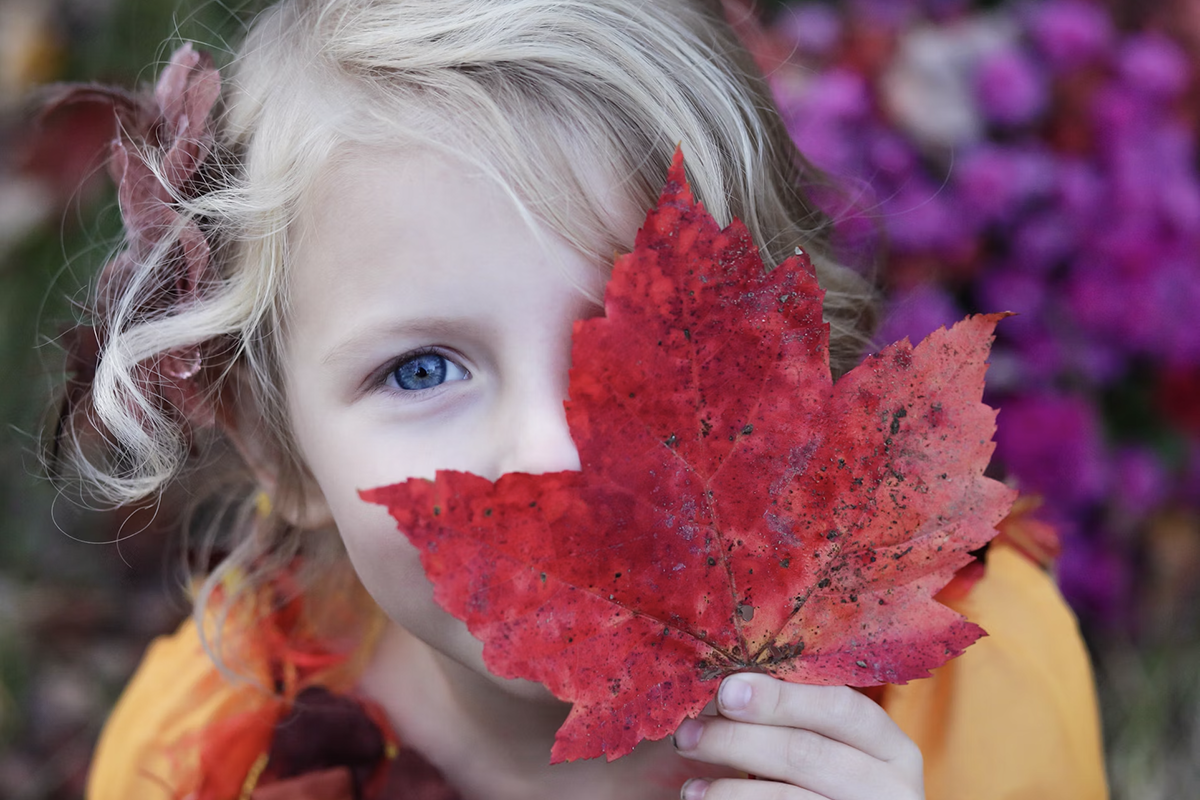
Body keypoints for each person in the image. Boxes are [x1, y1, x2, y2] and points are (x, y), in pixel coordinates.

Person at [45, 1, 1108, 798]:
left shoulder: (973, 687)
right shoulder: (204, 758)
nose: (554, 452)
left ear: (790, 364)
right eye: (422, 369)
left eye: (635, 341)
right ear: (276, 449)